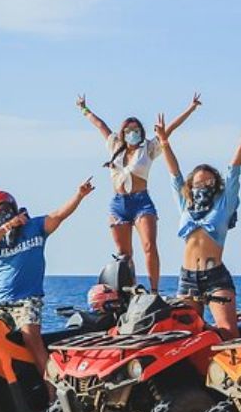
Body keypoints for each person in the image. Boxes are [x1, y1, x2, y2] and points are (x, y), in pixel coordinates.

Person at [76, 94, 202, 293]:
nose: (132, 133)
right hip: (119, 204)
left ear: (141, 132)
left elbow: (169, 131)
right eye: (128, 130)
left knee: (149, 246)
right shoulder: (115, 146)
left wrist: (191, 108)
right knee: (124, 254)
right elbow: (100, 125)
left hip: (141, 202)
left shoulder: (148, 149)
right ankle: (131, 290)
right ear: (123, 133)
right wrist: (84, 109)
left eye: (136, 130)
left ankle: (154, 290)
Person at [0, 179, 95, 389]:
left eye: (5, 210)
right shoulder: (0, 238)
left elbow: (59, 215)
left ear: (13, 206)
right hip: (1, 303)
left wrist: (79, 195)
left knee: (31, 338)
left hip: (27, 300)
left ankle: (53, 392)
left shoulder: (35, 227)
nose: (2, 214)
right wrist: (8, 226)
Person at [158, 103, 241, 340]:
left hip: (215, 277)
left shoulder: (223, 204)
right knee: (185, 336)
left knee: (229, 332)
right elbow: (174, 175)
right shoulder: (185, 204)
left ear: (217, 185)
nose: (203, 187)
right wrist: (164, 142)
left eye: (209, 183)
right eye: (199, 183)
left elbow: (234, 172)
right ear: (191, 186)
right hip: (187, 278)